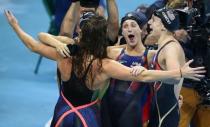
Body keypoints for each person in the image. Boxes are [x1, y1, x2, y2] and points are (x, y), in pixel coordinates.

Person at [5, 10, 204, 127]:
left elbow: (33, 44)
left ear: (80, 33)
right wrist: (178, 73)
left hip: (63, 113)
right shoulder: (105, 64)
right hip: (88, 117)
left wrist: (15, 26)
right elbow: (144, 76)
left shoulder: (64, 54)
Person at [144, 8, 191, 127]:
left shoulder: (171, 49)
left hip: (165, 116)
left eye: (153, 20)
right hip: (161, 112)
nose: (149, 23)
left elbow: (175, 77)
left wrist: (147, 75)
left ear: (164, 27)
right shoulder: (164, 46)